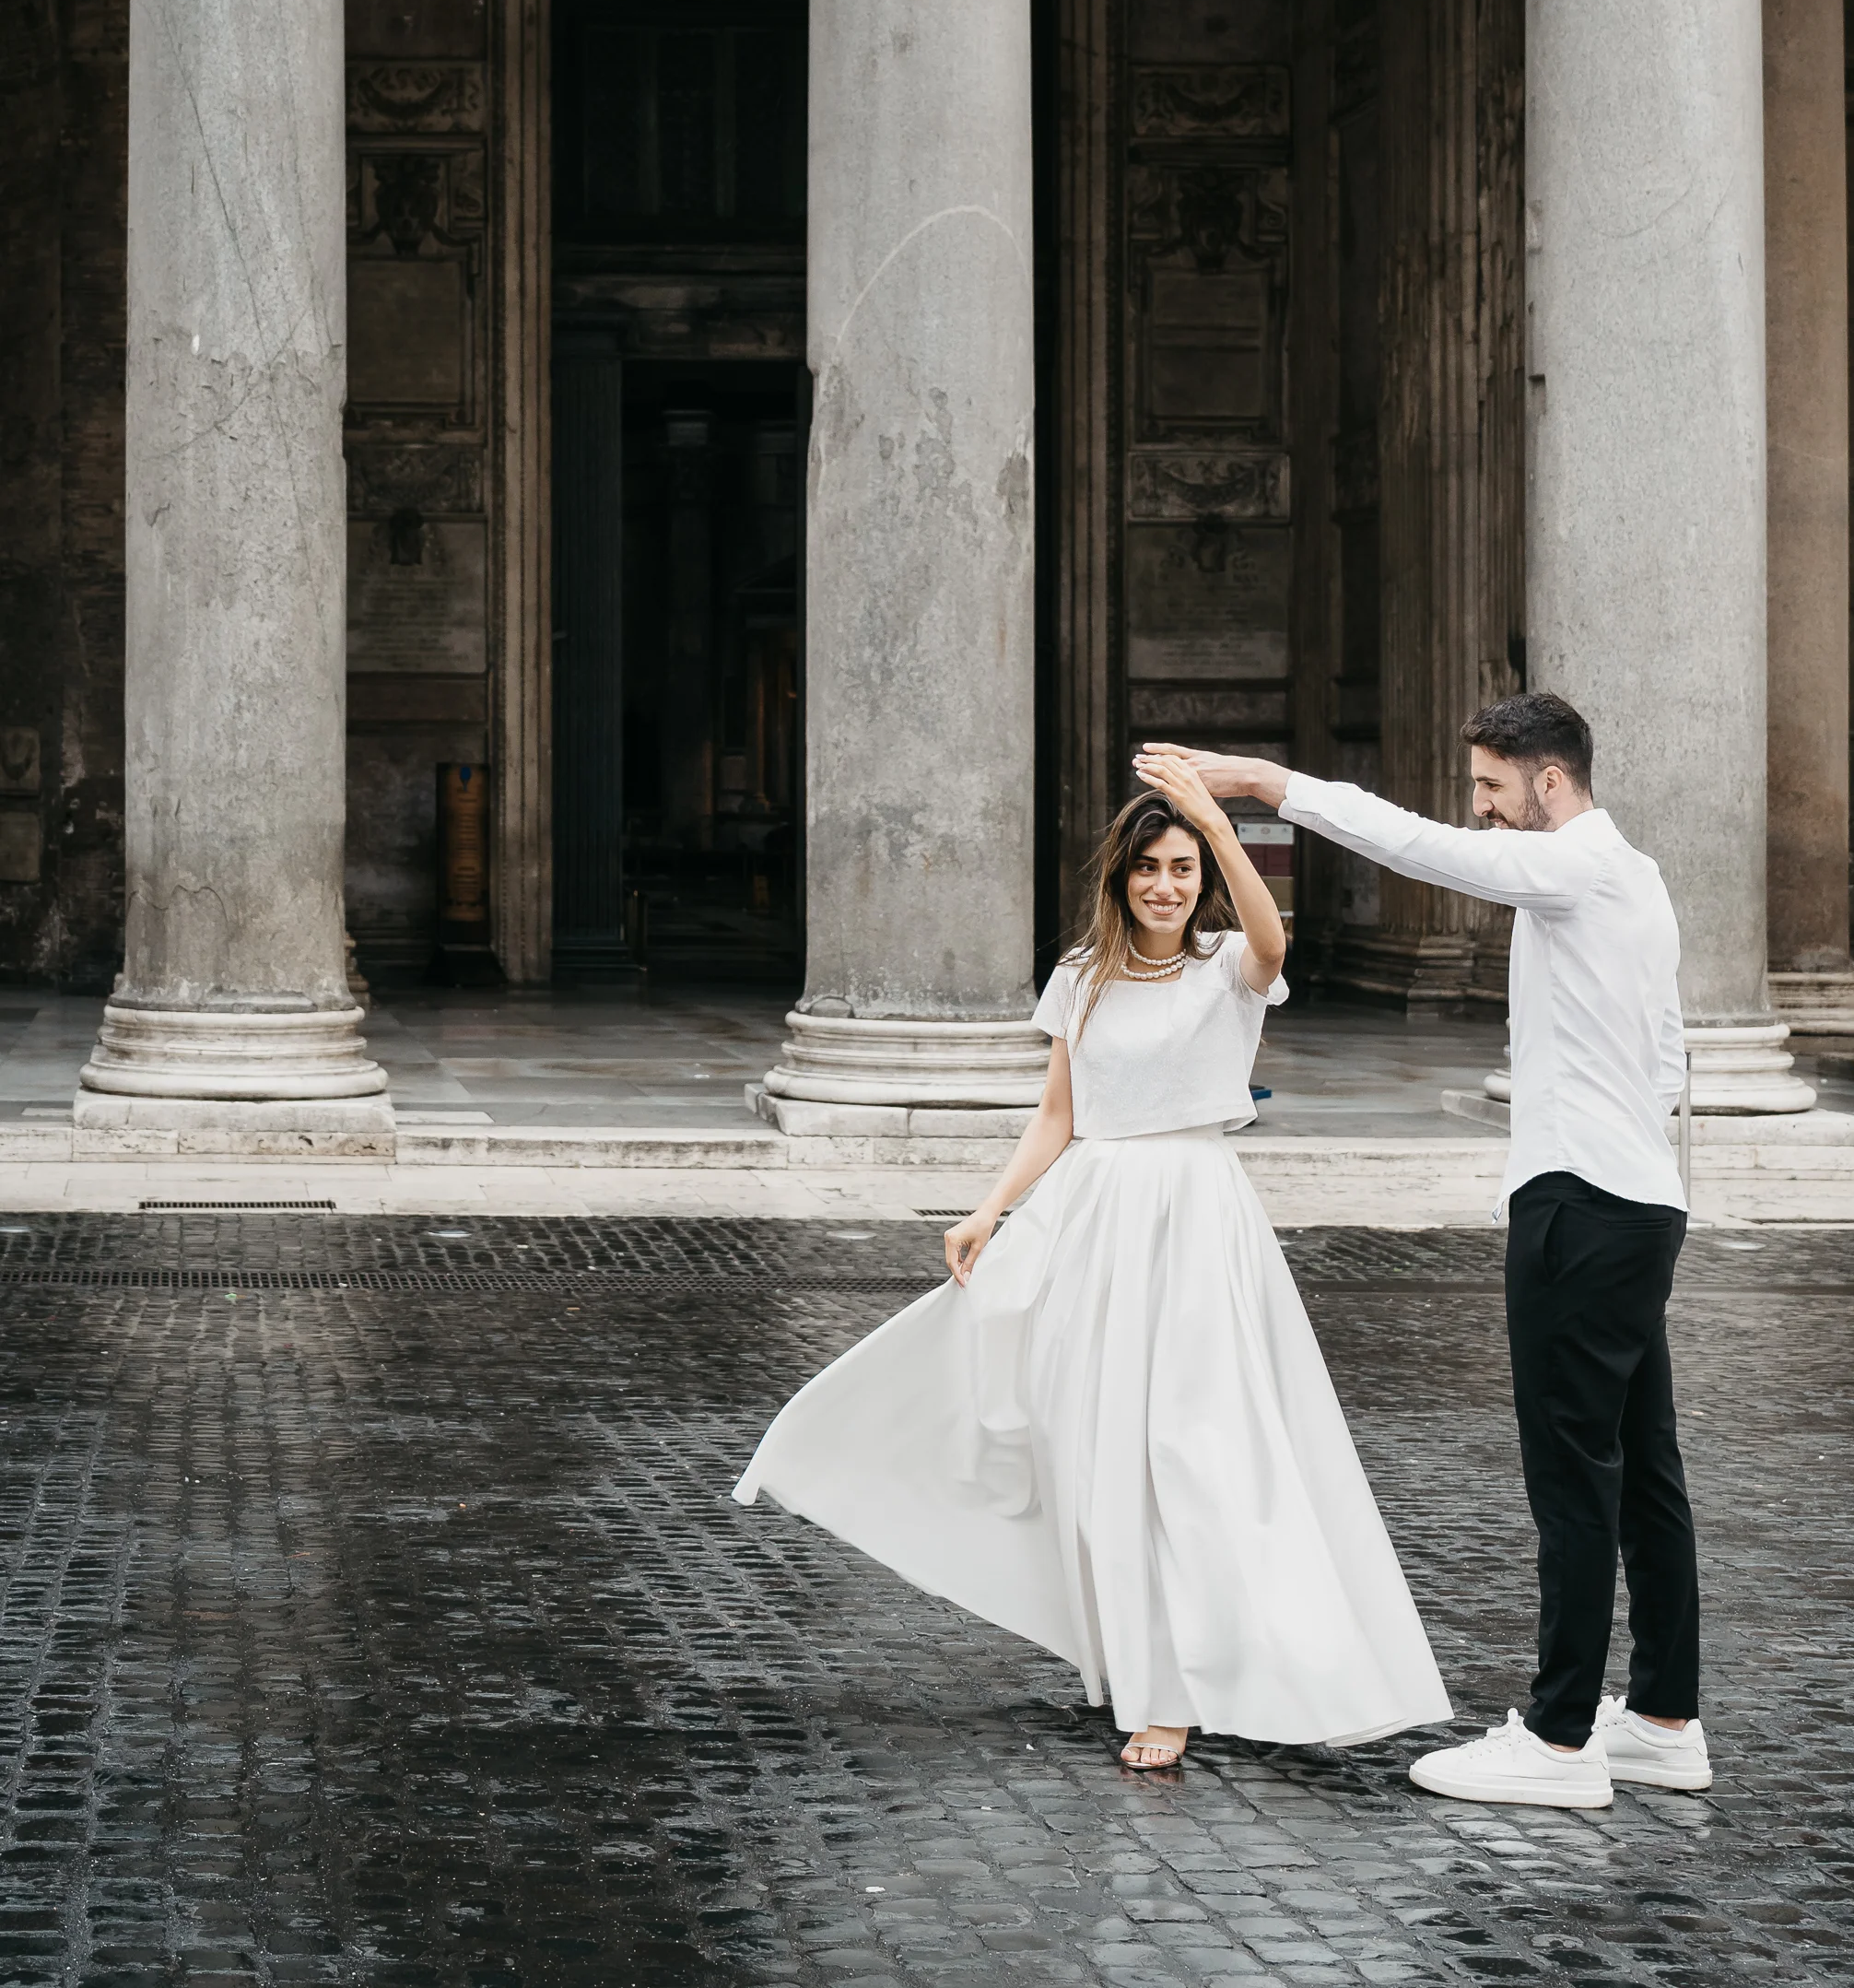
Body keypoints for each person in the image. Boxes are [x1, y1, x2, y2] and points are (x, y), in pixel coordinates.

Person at [731, 747, 1450, 1773]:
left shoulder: (1226, 970)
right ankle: (1141, 1659)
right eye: (1150, 866)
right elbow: (1059, 1116)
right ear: (1121, 876)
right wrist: (987, 1208)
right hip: (1095, 1215)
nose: (1167, 883)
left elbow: (1270, 934)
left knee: (1195, 1447)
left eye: (1183, 868)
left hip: (1198, 1217)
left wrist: (1213, 814)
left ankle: (1183, 1688)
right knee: (1097, 1444)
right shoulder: (1080, 976)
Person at [1176, 693, 1707, 1812]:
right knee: (1644, 1472)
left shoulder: (1574, 867)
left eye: (1489, 787)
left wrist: (1270, 785)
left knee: (1573, 1480)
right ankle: (1662, 1717)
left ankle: (1560, 1740)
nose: (1479, 808)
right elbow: (1666, 1058)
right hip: (1636, 1200)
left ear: (1548, 782)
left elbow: (1416, 845)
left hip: (1580, 1204)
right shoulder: (1637, 876)